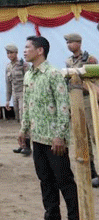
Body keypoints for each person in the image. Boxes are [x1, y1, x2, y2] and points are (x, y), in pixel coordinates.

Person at [19, 36, 79, 220]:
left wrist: (59, 135)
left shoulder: (53, 74)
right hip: (38, 137)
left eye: (28, 47)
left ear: (40, 51)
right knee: (45, 180)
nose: (24, 50)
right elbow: (27, 104)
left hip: (54, 139)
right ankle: (52, 215)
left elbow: (63, 105)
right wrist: (23, 129)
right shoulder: (29, 74)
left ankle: (74, 216)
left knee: (64, 180)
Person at [64, 33, 99, 187]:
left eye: (71, 42)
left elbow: (95, 82)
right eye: (67, 42)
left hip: (88, 99)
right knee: (82, 137)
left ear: (79, 43)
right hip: (75, 100)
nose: (69, 45)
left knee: (95, 135)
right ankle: (91, 172)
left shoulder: (90, 60)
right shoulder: (69, 61)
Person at [5, 43, 31, 156]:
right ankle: (22, 145)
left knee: (24, 119)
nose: (10, 55)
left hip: (24, 94)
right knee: (19, 119)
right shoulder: (8, 67)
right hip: (15, 95)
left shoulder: (23, 65)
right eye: (8, 53)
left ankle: (28, 146)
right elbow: (8, 85)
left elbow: (30, 81)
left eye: (11, 53)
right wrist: (7, 100)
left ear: (16, 53)